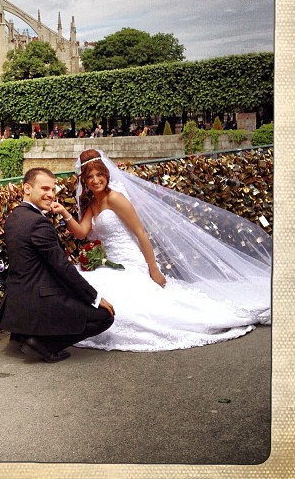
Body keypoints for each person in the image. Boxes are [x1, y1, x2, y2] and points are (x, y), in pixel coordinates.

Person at [50, 149, 271, 352]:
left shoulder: (115, 198)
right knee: (88, 286)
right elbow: (81, 232)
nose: (96, 180)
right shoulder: (92, 204)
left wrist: (153, 269)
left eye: (100, 174)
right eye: (90, 177)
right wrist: (64, 212)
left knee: (122, 300)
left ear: (107, 175)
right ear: (84, 181)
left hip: (130, 261)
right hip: (111, 262)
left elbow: (141, 233)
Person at [0, 167, 115, 362]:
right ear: (27, 188)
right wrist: (94, 297)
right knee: (104, 317)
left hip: (17, 303)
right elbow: (62, 268)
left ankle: (24, 334)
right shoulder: (38, 223)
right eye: (44, 189)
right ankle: (43, 345)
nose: (51, 195)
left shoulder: (15, 216)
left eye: (53, 190)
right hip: (37, 301)